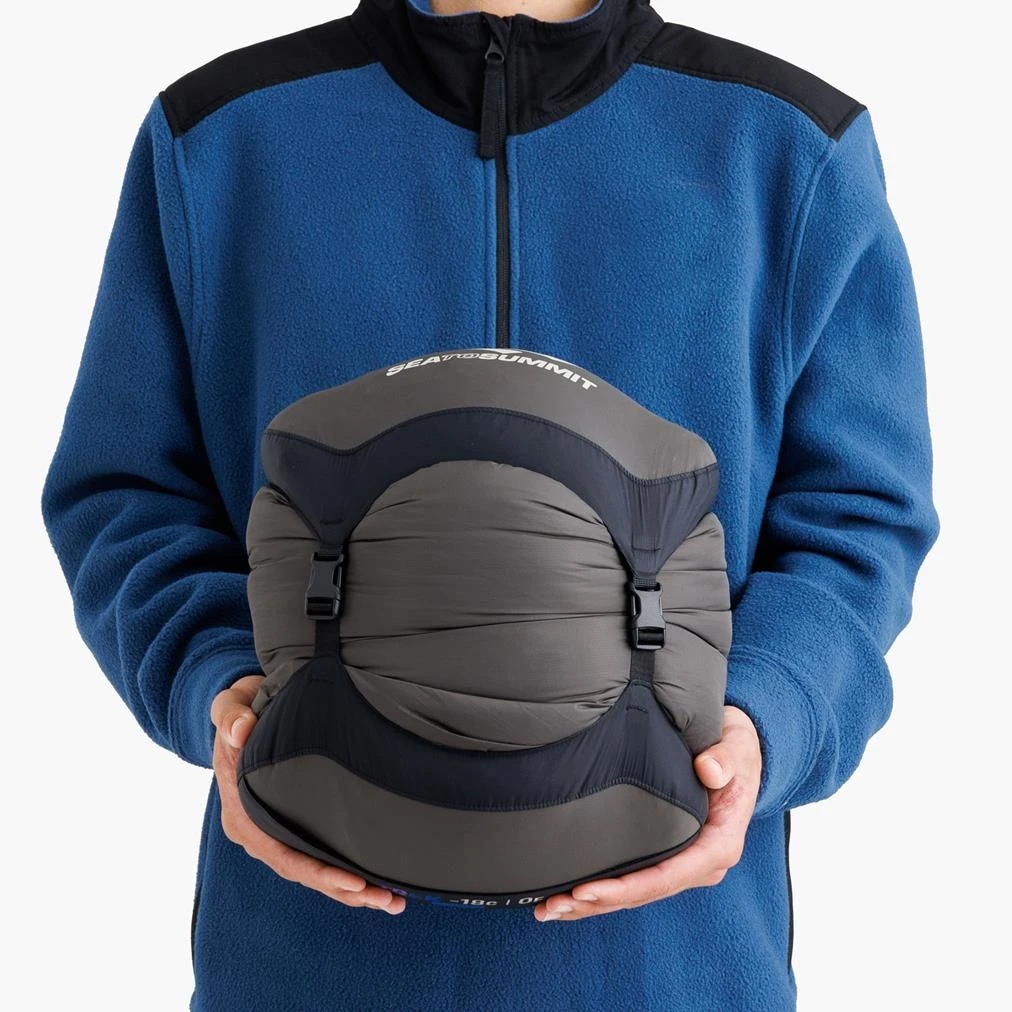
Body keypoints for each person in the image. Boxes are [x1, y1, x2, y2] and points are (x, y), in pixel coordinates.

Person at [39, 0, 940, 1008]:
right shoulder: (222, 136)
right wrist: (222, 690)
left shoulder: (787, 146)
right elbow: (126, 492)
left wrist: (768, 717)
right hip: (306, 957)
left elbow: (859, 516)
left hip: (670, 965)